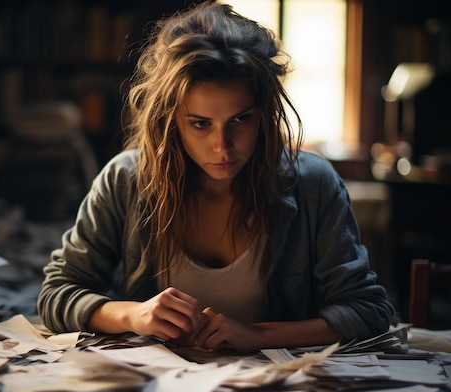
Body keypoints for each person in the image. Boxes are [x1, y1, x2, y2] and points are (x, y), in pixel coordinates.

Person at [37, 1, 394, 353]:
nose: (223, 147)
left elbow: (368, 311)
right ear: (170, 120)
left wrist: (259, 336)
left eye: (241, 119)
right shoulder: (125, 179)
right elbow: (56, 294)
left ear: (264, 115)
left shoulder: (314, 184)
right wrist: (134, 314)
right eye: (200, 124)